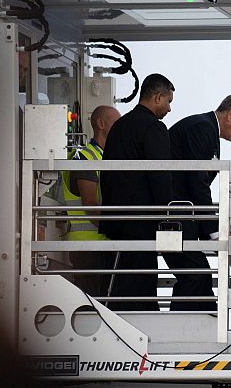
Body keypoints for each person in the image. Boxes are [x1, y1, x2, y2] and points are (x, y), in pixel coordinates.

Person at [163, 92, 231, 310]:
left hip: (180, 215)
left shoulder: (207, 129)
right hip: (173, 216)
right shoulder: (203, 128)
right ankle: (184, 330)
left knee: (198, 276)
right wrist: (214, 230)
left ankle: (201, 328)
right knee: (196, 276)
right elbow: (198, 182)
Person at [99, 74, 175, 311]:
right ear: (158, 97)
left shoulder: (120, 126)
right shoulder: (153, 127)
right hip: (141, 219)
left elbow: (107, 171)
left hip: (116, 218)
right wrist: (168, 215)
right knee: (142, 282)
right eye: (168, 101)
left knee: (122, 281)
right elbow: (160, 175)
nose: (169, 109)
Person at [61, 105, 120, 296]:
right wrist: (118, 232)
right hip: (87, 249)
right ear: (100, 123)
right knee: (92, 305)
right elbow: (90, 205)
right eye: (116, 123)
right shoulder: (84, 157)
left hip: (103, 245)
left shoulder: (105, 158)